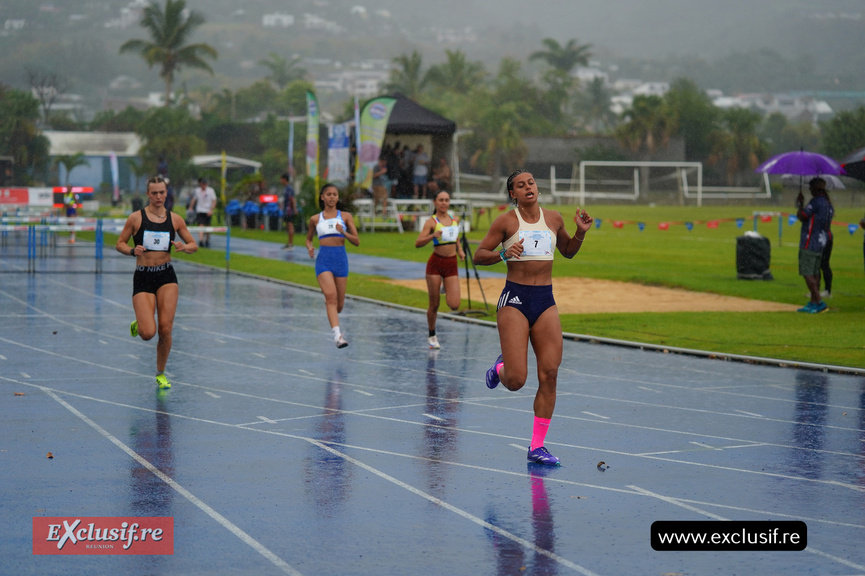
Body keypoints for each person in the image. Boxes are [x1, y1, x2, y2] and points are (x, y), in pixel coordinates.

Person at [473, 169, 593, 466]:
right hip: (514, 299)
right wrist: (503, 255)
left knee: (550, 373)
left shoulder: (553, 218)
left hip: (545, 301)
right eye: (520, 185)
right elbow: (478, 254)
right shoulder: (506, 221)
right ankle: (500, 367)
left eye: (531, 183)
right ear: (512, 193)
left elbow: (567, 251)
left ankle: (537, 446)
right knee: (516, 381)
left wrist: (579, 232)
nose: (528, 187)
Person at [115, 176, 198, 389]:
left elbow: (193, 245)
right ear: (148, 194)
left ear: (166, 193)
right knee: (148, 333)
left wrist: (184, 247)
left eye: (162, 192)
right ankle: (140, 324)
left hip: (166, 276)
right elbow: (120, 243)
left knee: (166, 328)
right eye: (154, 193)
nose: (159, 196)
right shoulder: (136, 218)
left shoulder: (175, 219)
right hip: (143, 275)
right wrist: (133, 251)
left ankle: (160, 373)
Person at [306, 183, 360, 349]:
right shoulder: (316, 219)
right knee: (331, 297)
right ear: (322, 197)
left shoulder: (345, 217)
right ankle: (337, 336)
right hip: (324, 261)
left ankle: (330, 302)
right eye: (328, 194)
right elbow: (309, 238)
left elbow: (356, 241)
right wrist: (310, 247)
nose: (331, 197)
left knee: (339, 306)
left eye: (334, 194)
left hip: (341, 260)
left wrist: (342, 232)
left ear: (338, 197)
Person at [415, 190, 466, 349]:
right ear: (435, 203)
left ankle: (445, 286)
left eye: (446, 200)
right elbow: (418, 243)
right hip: (435, 265)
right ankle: (432, 334)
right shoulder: (431, 222)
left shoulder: (454, 219)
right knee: (434, 304)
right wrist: (432, 236)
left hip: (451, 264)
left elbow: (455, 236)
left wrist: (459, 249)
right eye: (441, 200)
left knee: (455, 304)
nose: (444, 203)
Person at [796, 177, 833, 313]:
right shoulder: (828, 203)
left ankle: (818, 301)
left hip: (809, 241)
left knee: (807, 272)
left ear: (815, 189)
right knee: (815, 272)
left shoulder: (816, 202)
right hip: (821, 242)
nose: (809, 190)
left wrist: (800, 204)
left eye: (810, 188)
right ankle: (813, 302)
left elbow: (802, 216)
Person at [189, 177, 217, 248]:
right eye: (202, 184)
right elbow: (194, 199)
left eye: (205, 184)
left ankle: (207, 239)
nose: (203, 186)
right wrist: (191, 207)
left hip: (208, 211)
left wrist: (211, 210)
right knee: (200, 225)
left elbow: (214, 201)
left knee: (208, 227)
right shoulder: (197, 190)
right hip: (200, 210)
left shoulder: (211, 191)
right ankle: (201, 240)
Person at [280, 173, 298, 250]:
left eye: (281, 179)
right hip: (286, 209)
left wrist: (294, 209)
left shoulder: (289, 188)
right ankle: (289, 243)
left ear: (284, 179)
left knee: (290, 225)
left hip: (289, 210)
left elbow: (292, 199)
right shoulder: (285, 188)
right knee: (288, 225)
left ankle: (291, 244)